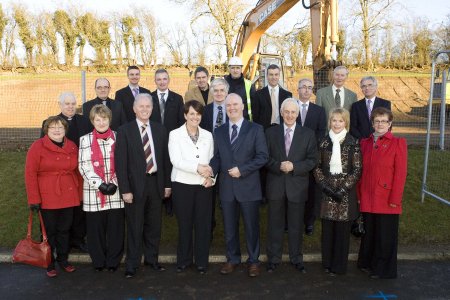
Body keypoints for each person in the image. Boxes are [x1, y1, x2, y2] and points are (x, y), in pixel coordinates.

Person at [209, 93, 269, 277]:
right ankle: (232, 259)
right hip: (227, 188)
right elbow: (218, 157)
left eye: (235, 104)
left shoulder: (255, 129)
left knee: (251, 227)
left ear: (243, 106)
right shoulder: (219, 131)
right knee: (229, 227)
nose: (232, 108)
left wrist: (242, 170)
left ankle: (253, 261)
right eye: (228, 105)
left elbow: (262, 157)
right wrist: (211, 169)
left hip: (248, 187)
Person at [115, 93, 171, 279]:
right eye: (141, 106)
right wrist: (125, 190)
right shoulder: (124, 131)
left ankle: (151, 259)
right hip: (135, 186)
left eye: (148, 106)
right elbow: (120, 164)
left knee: (154, 225)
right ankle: (132, 264)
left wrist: (167, 185)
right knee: (134, 225)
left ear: (152, 109)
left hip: (156, 183)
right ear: (134, 109)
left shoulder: (160, 129)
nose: (145, 109)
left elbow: (165, 160)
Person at [265, 98, 317, 273]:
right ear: (281, 113)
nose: (289, 115)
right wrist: (277, 165)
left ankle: (297, 258)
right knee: (274, 224)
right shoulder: (270, 133)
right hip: (276, 184)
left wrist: (294, 167)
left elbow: (312, 160)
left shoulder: (308, 134)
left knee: (296, 225)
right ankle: (273, 258)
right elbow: (264, 157)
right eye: (286, 112)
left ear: (298, 114)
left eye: (293, 112)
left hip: (297, 186)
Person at [25, 116, 82, 277]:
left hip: (69, 193)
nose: (57, 131)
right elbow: (30, 174)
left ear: (65, 130)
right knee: (50, 232)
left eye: (60, 128)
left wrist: (79, 195)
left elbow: (77, 172)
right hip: (48, 195)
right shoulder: (38, 146)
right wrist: (34, 199)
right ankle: (49, 262)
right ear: (46, 130)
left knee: (65, 230)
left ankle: (63, 259)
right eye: (53, 128)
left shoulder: (71, 146)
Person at [357, 107, 407, 279]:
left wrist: (395, 198)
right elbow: (360, 172)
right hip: (367, 197)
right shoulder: (364, 143)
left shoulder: (398, 143)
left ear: (390, 123)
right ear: (372, 123)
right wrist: (359, 195)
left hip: (387, 199)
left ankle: (383, 269)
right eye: (377, 121)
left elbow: (400, 174)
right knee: (370, 234)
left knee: (384, 237)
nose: (380, 124)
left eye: (384, 121)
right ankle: (368, 264)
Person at [313, 108, 362, 276]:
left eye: (340, 121)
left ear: (346, 123)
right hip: (327, 191)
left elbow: (356, 170)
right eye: (334, 120)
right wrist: (325, 187)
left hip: (345, 194)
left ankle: (339, 266)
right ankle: (327, 263)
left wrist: (342, 189)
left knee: (342, 233)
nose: (337, 124)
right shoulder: (323, 142)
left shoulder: (352, 142)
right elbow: (317, 167)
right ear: (330, 122)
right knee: (327, 231)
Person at [168, 100, 215, 274]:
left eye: (198, 114)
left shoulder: (208, 135)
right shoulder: (175, 134)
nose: (195, 117)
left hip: (203, 185)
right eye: (192, 114)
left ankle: (202, 262)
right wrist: (197, 168)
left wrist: (211, 178)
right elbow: (176, 160)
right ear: (185, 115)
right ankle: (184, 260)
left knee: (203, 224)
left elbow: (212, 160)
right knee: (185, 224)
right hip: (182, 185)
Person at [40, 92, 90, 252]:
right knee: (61, 209)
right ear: (60, 105)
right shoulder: (51, 123)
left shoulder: (84, 121)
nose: (70, 107)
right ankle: (56, 242)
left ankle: (78, 239)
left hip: (80, 170)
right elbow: (43, 146)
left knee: (79, 207)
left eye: (73, 104)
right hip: (60, 173)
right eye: (67, 104)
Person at [78, 104, 124, 273]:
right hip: (94, 192)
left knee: (115, 228)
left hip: (116, 190)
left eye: (104, 119)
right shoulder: (85, 140)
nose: (101, 122)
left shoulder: (119, 137)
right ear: (92, 121)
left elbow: (123, 164)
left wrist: (114, 183)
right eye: (98, 119)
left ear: (109, 120)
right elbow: (83, 166)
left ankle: (113, 261)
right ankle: (98, 260)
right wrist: (100, 185)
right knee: (95, 229)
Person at [296, 78, 327, 236]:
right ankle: (291, 222)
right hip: (292, 157)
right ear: (298, 89)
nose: (307, 90)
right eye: (303, 87)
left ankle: (309, 222)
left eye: (310, 88)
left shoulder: (318, 111)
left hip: (310, 156)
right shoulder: (290, 108)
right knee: (292, 190)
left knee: (311, 191)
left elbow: (321, 133)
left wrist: (309, 150)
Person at [252, 64, 292, 129]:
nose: (274, 77)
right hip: (264, 131)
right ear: (267, 76)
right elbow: (255, 116)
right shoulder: (258, 94)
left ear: (279, 76)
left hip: (282, 130)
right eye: (271, 75)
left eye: (276, 74)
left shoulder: (287, 95)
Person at [150, 68, 185, 133]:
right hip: (154, 135)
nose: (162, 82)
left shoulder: (178, 99)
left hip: (173, 136)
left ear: (168, 80)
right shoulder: (149, 98)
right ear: (155, 81)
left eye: (164, 79)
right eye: (159, 79)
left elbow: (181, 121)